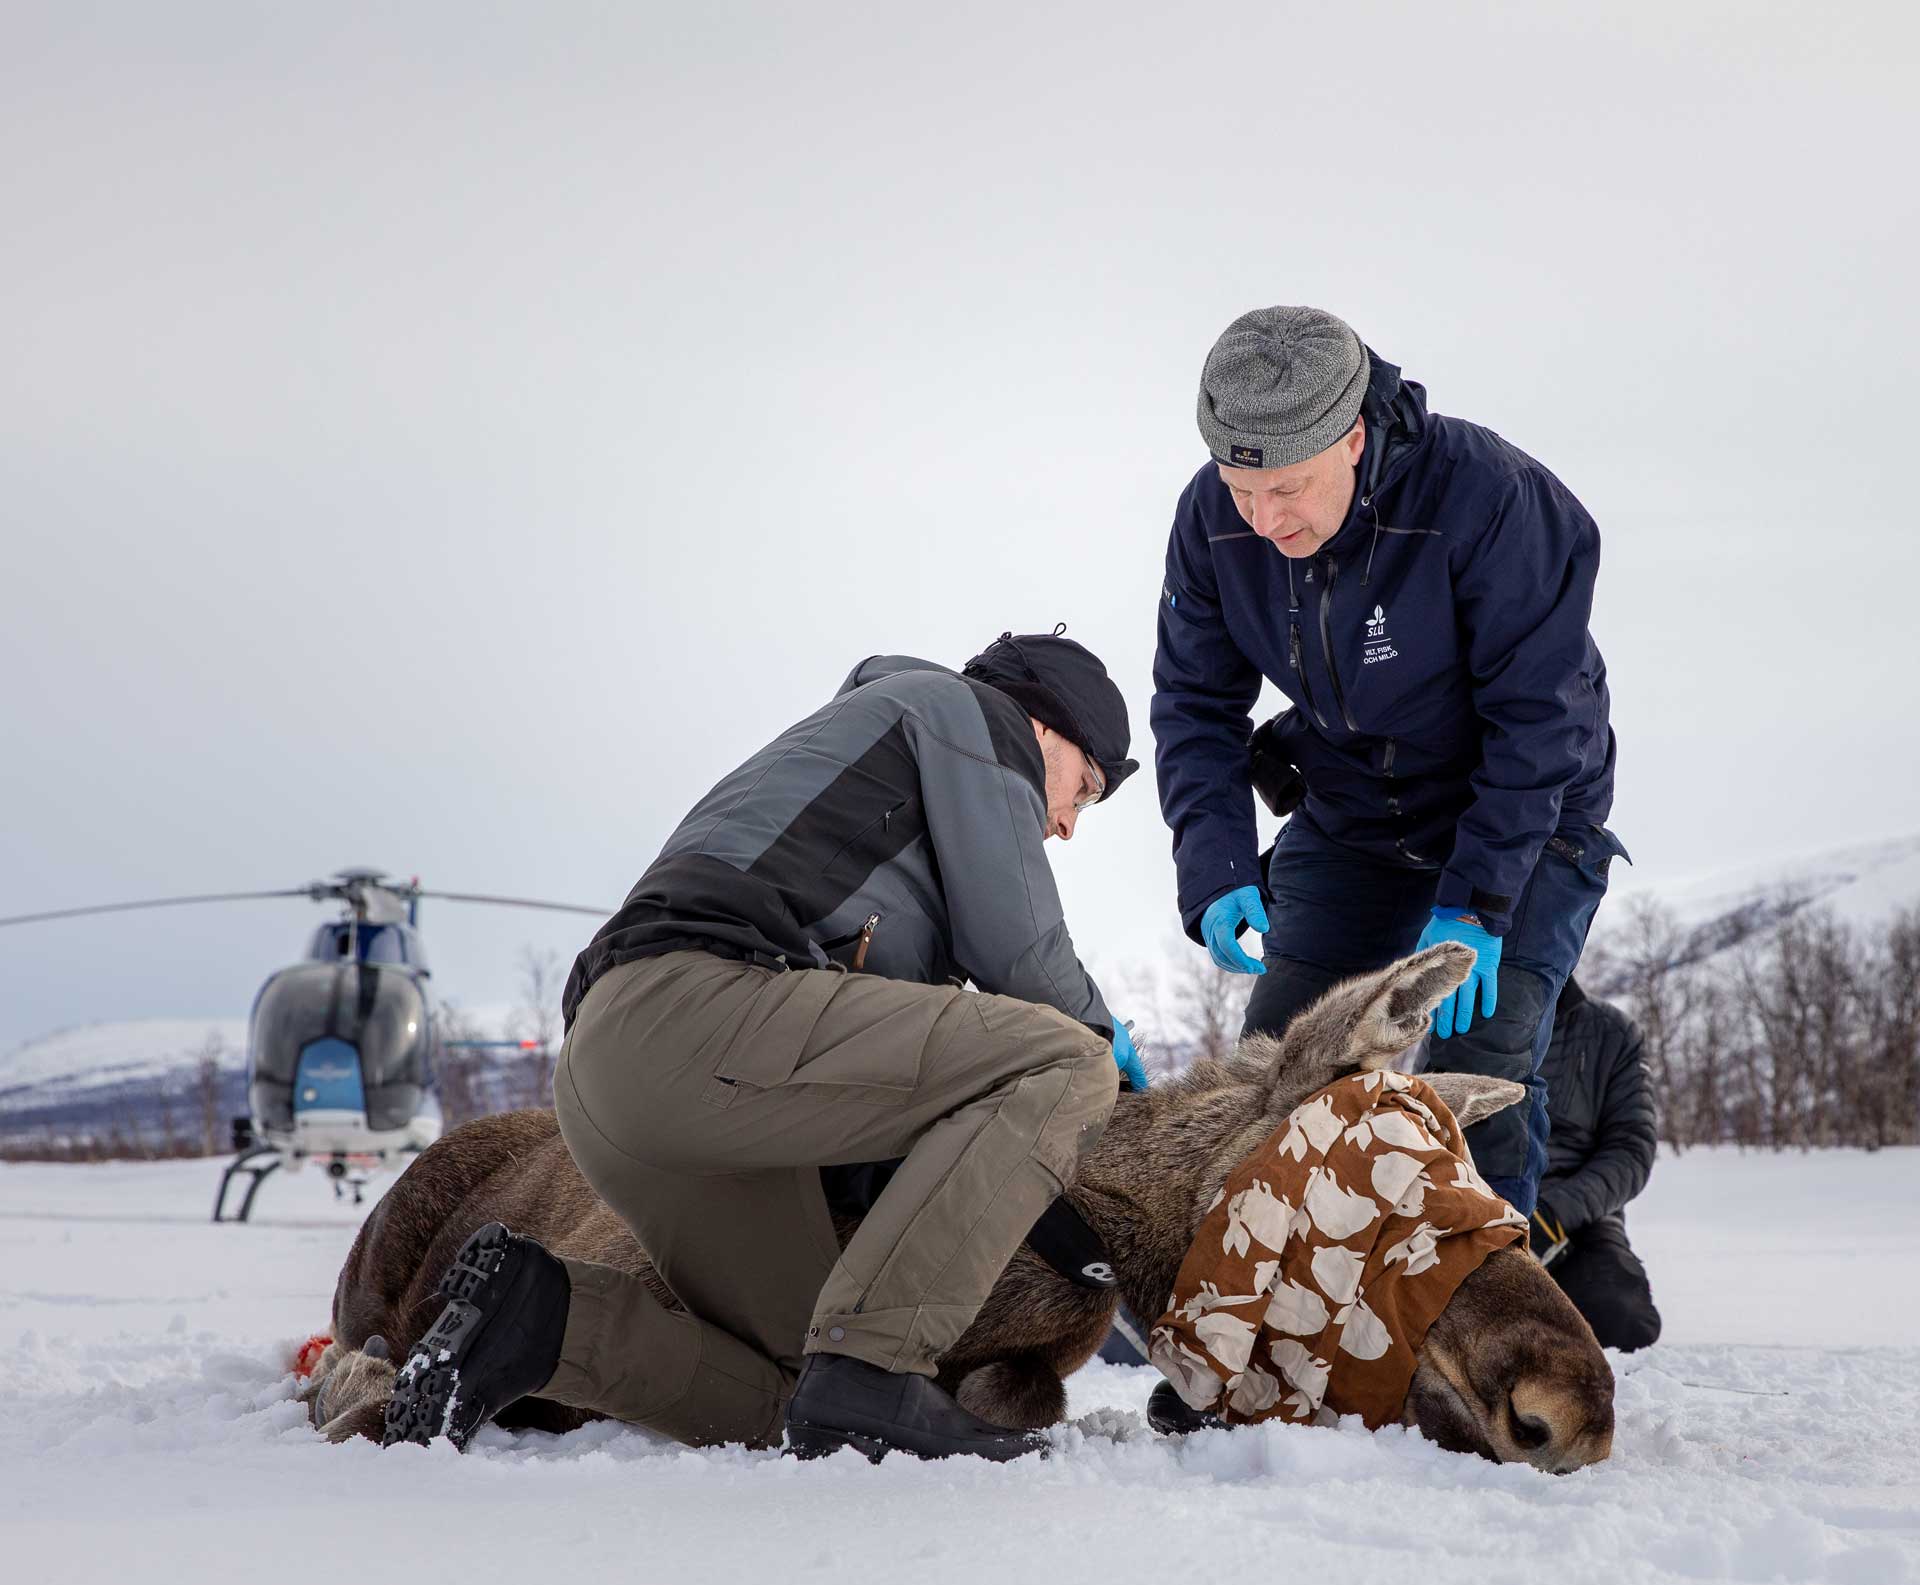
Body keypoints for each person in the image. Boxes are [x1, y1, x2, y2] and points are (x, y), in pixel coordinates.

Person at [384, 632, 1146, 1462]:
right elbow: (1021, 954)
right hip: (697, 1013)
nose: (1069, 823)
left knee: (801, 1386)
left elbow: (904, 1094)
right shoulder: (970, 715)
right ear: (1045, 728)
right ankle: (878, 1368)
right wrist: (1105, 1047)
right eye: (1086, 786)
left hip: (634, 1081)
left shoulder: (888, 782)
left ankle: (541, 1320)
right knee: (1065, 1058)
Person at [1152, 304, 1626, 1218]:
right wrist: (1212, 867)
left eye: (1287, 489)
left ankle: (1481, 1317)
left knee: (1479, 1061)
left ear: (1355, 438)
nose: (1262, 518)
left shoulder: (1490, 498)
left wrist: (1479, 898)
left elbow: (1537, 718)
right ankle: (1259, 1307)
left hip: (1526, 815)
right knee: (1285, 1062)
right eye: (1241, 489)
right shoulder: (1213, 518)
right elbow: (1196, 704)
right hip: (1357, 804)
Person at [1531, 974, 1661, 1351]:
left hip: (1578, 1219)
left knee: (1623, 1316)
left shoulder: (1612, 1032)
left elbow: (1631, 1150)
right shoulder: (1464, 1017)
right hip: (1485, 1212)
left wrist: (1551, 1218)